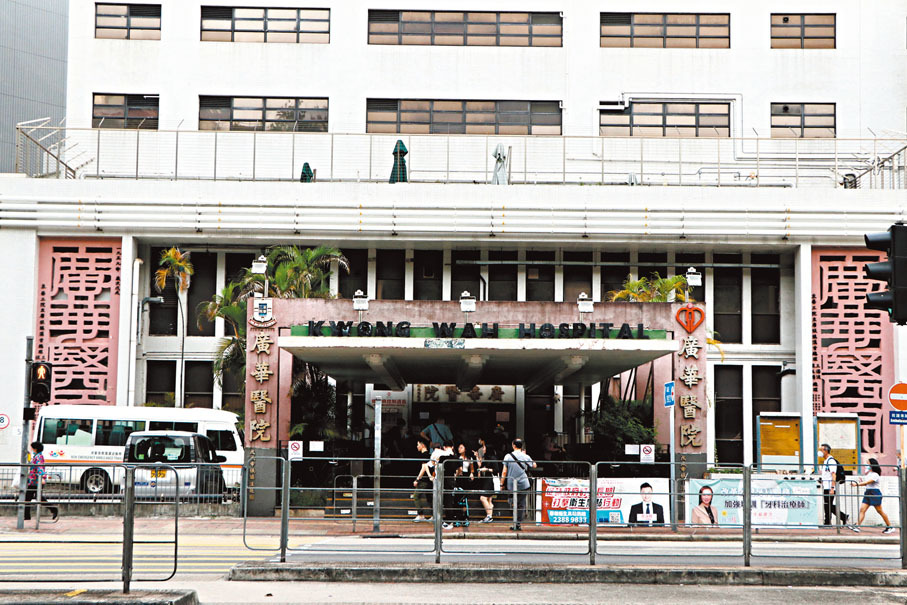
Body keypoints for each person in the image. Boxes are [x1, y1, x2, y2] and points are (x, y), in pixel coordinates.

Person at [849, 457, 894, 534]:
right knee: (862, 509)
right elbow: (866, 484)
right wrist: (861, 482)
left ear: (872, 465)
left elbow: (868, 482)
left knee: (880, 511)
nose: (866, 465)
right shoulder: (869, 474)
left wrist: (856, 484)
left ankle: (890, 526)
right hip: (868, 492)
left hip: (875, 493)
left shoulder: (875, 475)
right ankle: (857, 525)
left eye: (868, 463)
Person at [501, 438, 536, 531]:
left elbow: (504, 472)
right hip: (524, 483)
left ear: (513, 445)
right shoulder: (525, 456)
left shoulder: (508, 456)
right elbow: (534, 465)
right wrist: (526, 457)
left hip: (511, 484)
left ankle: (514, 522)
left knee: (512, 502)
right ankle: (518, 524)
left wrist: (501, 484)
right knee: (521, 504)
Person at [23, 441, 57, 521]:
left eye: (32, 448)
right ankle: (27, 516)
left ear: (35, 449)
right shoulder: (36, 456)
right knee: (31, 497)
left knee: (31, 497)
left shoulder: (38, 457)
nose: (32, 450)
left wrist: (42, 477)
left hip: (36, 481)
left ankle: (53, 509)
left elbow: (40, 467)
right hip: (33, 480)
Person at [818, 443, 849, 527]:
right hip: (826, 486)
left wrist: (832, 488)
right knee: (827, 505)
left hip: (830, 487)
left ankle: (841, 517)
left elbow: (833, 475)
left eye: (821, 450)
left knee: (828, 505)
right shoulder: (826, 461)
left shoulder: (831, 461)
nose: (820, 452)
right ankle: (828, 522)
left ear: (826, 451)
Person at [473, 437, 498, 523]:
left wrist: (486, 469)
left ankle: (489, 516)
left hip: (490, 480)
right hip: (486, 479)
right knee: (489, 500)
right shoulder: (486, 458)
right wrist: (477, 456)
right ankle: (489, 516)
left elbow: (496, 470)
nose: (483, 449)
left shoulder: (493, 458)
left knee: (483, 498)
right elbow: (480, 465)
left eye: (484, 448)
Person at [411, 438, 433, 522]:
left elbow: (423, 468)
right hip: (429, 480)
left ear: (422, 445)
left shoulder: (424, 455)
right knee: (429, 498)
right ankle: (434, 515)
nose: (417, 446)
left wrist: (417, 479)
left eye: (418, 444)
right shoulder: (429, 455)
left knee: (416, 496)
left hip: (424, 480)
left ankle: (420, 515)